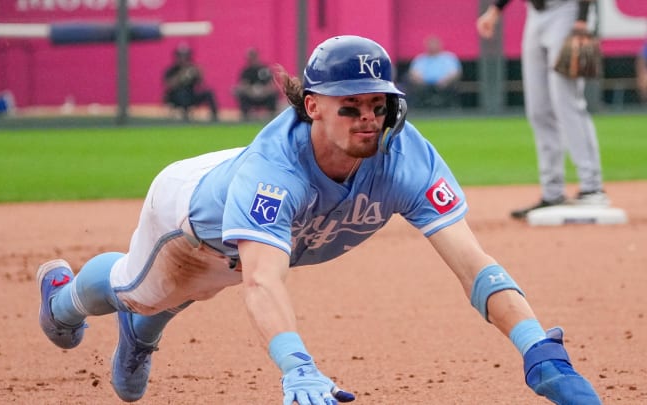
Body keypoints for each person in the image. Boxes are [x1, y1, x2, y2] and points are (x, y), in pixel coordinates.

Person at [36, 35, 602, 404]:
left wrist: (536, 348)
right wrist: (297, 368)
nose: (368, 119)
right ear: (312, 106)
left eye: (377, 105)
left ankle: (145, 325)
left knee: (199, 288)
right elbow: (260, 280)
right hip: (190, 219)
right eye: (349, 106)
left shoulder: (404, 157)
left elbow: (472, 262)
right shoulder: (273, 174)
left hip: (255, 237)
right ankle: (62, 301)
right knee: (141, 291)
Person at [477, 0, 609, 219]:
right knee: (538, 109)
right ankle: (552, 192)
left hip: (568, 10)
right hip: (535, 12)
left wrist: (582, 19)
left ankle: (592, 187)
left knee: (566, 101)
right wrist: (495, 10)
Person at [162, 44, 219, 121]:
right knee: (182, 93)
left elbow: (202, 85)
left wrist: (199, 73)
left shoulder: (192, 69)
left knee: (209, 92)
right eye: (181, 56)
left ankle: (214, 115)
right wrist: (181, 75)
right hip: (176, 97)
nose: (183, 59)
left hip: (191, 96)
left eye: (186, 56)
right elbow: (169, 85)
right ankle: (185, 114)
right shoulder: (171, 70)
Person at [403, 35, 462, 108]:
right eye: (430, 45)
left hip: (445, 84)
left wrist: (445, 80)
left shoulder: (449, 57)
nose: (432, 47)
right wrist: (420, 80)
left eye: (434, 45)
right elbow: (413, 73)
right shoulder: (420, 59)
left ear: (440, 45)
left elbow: (455, 72)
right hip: (423, 86)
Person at [234, 48, 279, 120]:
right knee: (242, 96)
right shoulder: (246, 71)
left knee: (273, 95)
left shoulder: (264, 69)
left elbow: (271, 85)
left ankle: (272, 116)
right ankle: (246, 117)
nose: (252, 60)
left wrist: (263, 91)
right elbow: (243, 85)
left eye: (253, 57)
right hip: (251, 95)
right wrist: (251, 91)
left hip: (265, 95)